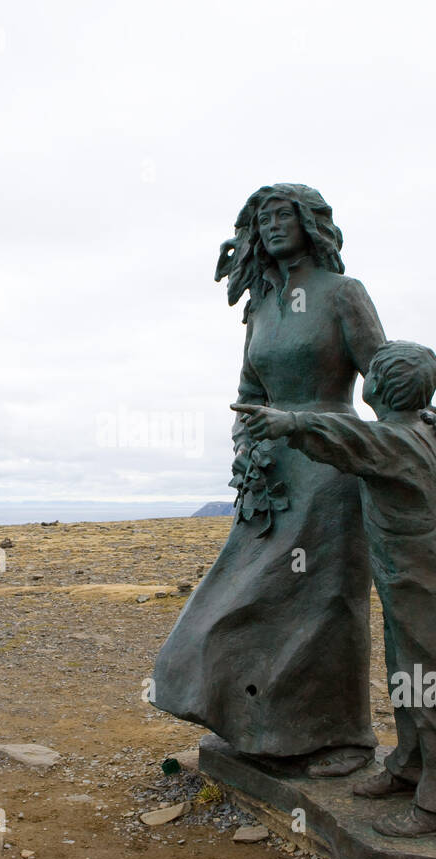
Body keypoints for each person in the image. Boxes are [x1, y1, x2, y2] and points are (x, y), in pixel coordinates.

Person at [150, 184, 385, 775]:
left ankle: (344, 739)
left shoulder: (342, 294)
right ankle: (262, 727)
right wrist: (246, 452)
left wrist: (418, 420)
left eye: (285, 215)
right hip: (271, 475)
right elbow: (249, 393)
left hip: (332, 464)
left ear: (311, 224)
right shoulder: (259, 306)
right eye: (264, 219)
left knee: (327, 605)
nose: (274, 226)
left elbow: (382, 378)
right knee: (247, 598)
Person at [232, 340, 436, 837]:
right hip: (407, 576)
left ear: (379, 386)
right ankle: (409, 765)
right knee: (405, 671)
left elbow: (348, 438)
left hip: (420, 579)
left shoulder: (400, 440)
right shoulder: (424, 428)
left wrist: (290, 423)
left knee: (434, 682)